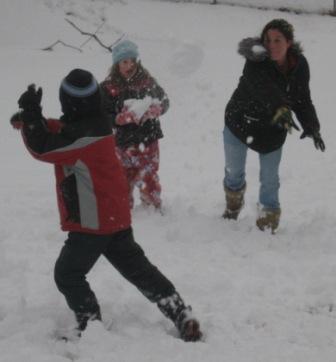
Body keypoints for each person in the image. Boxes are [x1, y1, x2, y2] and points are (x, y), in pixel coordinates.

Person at [10, 69, 201, 342]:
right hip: (114, 217)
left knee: (67, 274)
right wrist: (35, 120)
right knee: (140, 272)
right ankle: (181, 313)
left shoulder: (82, 138)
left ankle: (90, 325)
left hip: (93, 222)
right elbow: (64, 131)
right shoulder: (97, 125)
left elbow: (45, 147)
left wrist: (32, 119)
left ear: (69, 103)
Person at [223, 18, 325, 233]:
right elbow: (262, 87)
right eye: (268, 40)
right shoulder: (255, 60)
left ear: (289, 42)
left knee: (270, 179)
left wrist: (312, 125)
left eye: (278, 40)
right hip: (240, 122)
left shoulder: (299, 65)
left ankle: (269, 217)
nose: (272, 45)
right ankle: (233, 203)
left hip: (272, 129)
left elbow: (301, 98)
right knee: (234, 174)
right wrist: (279, 107)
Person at [100, 40, 169, 211]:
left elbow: (165, 100)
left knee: (148, 175)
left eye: (132, 61)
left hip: (148, 137)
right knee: (122, 176)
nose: (129, 65)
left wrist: (157, 108)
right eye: (124, 62)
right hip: (122, 141)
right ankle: (123, 208)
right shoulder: (108, 87)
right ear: (117, 64)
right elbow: (102, 114)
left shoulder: (147, 82)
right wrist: (118, 119)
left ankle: (152, 206)